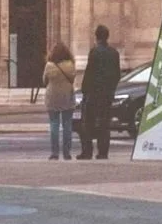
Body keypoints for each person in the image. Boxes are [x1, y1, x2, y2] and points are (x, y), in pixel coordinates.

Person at [78, 24, 121, 159]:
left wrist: (85, 90)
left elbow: (89, 72)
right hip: (107, 93)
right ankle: (103, 152)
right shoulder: (114, 53)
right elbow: (117, 74)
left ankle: (87, 151)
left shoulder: (95, 52)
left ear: (96, 37)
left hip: (94, 93)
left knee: (87, 123)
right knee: (104, 123)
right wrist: (111, 88)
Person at [42, 41, 76, 159]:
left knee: (54, 124)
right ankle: (67, 153)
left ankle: (54, 153)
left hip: (53, 96)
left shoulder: (49, 65)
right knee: (67, 125)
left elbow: (44, 80)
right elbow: (73, 78)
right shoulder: (70, 64)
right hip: (67, 95)